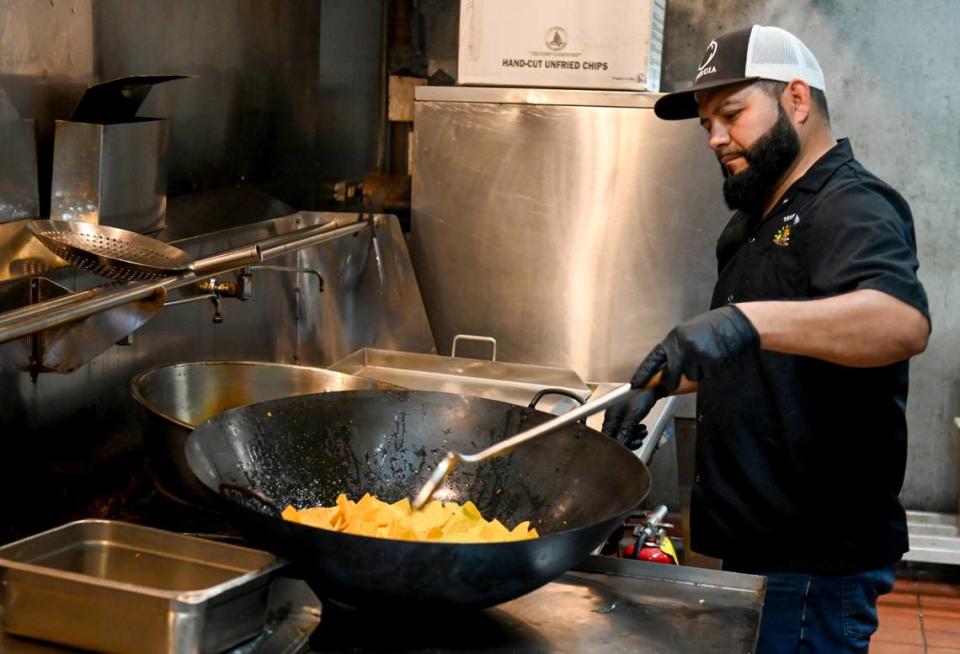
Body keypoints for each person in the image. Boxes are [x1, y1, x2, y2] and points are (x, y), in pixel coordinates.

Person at [601, 25, 931, 653]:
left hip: (815, 564)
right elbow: (764, 351)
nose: (716, 138)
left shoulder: (850, 205)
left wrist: (743, 321)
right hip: (759, 546)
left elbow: (899, 321)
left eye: (731, 113)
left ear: (797, 101)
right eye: (706, 124)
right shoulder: (756, 218)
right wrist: (656, 384)